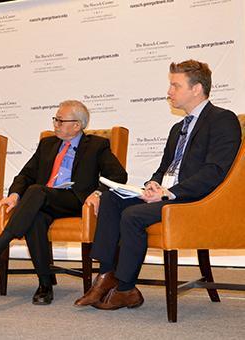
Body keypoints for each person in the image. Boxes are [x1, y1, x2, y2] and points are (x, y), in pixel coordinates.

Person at [74, 60, 242, 310]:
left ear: (196, 89)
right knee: (110, 198)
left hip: (196, 200)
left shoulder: (222, 120)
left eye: (175, 85)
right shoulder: (178, 128)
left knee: (132, 215)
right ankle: (107, 274)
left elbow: (214, 172)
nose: (169, 92)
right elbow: (164, 168)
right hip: (167, 194)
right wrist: (153, 185)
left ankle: (126, 288)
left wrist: (170, 193)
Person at [0, 100, 127, 305]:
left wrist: (98, 193)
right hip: (43, 200)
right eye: (55, 119)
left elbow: (118, 175)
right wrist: (14, 195)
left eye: (60, 120)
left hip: (74, 200)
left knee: (36, 191)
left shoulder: (96, 145)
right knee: (36, 218)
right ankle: (44, 285)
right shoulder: (48, 144)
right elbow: (25, 175)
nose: (55, 124)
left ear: (77, 125)